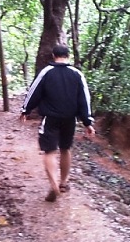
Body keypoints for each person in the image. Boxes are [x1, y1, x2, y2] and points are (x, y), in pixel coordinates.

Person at [20, 44, 95, 202]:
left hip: (50, 118)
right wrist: (88, 121)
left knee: (50, 151)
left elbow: (34, 91)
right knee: (65, 149)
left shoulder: (46, 72)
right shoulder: (77, 74)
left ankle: (53, 183)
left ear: (54, 55)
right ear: (68, 56)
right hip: (70, 118)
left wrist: (25, 110)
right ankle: (63, 183)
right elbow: (84, 99)